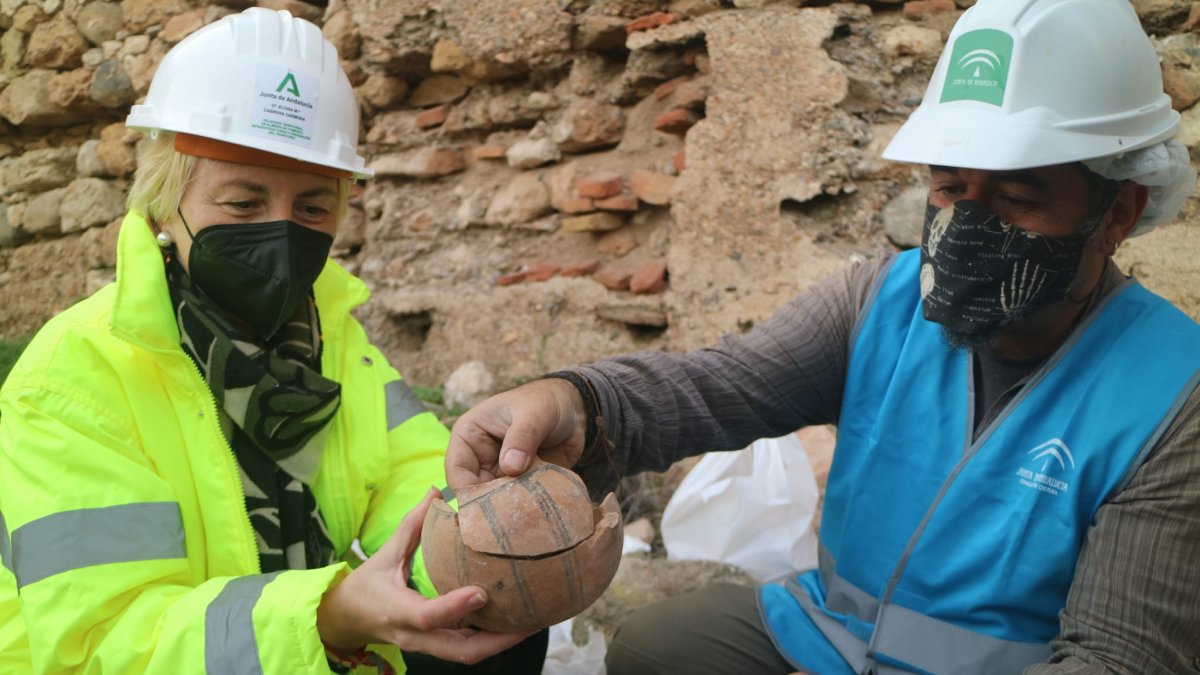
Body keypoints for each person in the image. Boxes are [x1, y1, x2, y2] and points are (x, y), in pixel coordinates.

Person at [445, 0, 1200, 673]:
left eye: (1015, 196)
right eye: (949, 188)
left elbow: (1116, 654)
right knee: (658, 644)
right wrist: (573, 402)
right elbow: (717, 385)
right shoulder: (882, 300)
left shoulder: (1173, 393)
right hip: (834, 639)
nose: (969, 224)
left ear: (1120, 213)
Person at [0, 8, 546, 674]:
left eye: (313, 206)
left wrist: (485, 549)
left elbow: (420, 482)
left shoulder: (332, 343)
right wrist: (327, 614)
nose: (281, 233)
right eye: (242, 203)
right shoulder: (74, 376)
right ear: (163, 202)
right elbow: (103, 643)